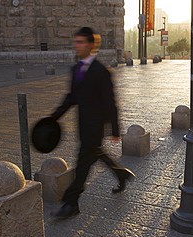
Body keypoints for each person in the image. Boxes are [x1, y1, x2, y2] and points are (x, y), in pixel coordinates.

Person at [50, 27, 134, 219]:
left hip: (95, 127)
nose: (76, 46)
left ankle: (71, 203)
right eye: (75, 42)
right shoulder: (76, 68)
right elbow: (72, 97)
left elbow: (110, 101)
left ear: (90, 44)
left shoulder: (101, 71)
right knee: (95, 153)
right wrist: (53, 117)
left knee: (82, 165)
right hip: (82, 124)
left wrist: (115, 129)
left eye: (80, 42)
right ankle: (121, 174)